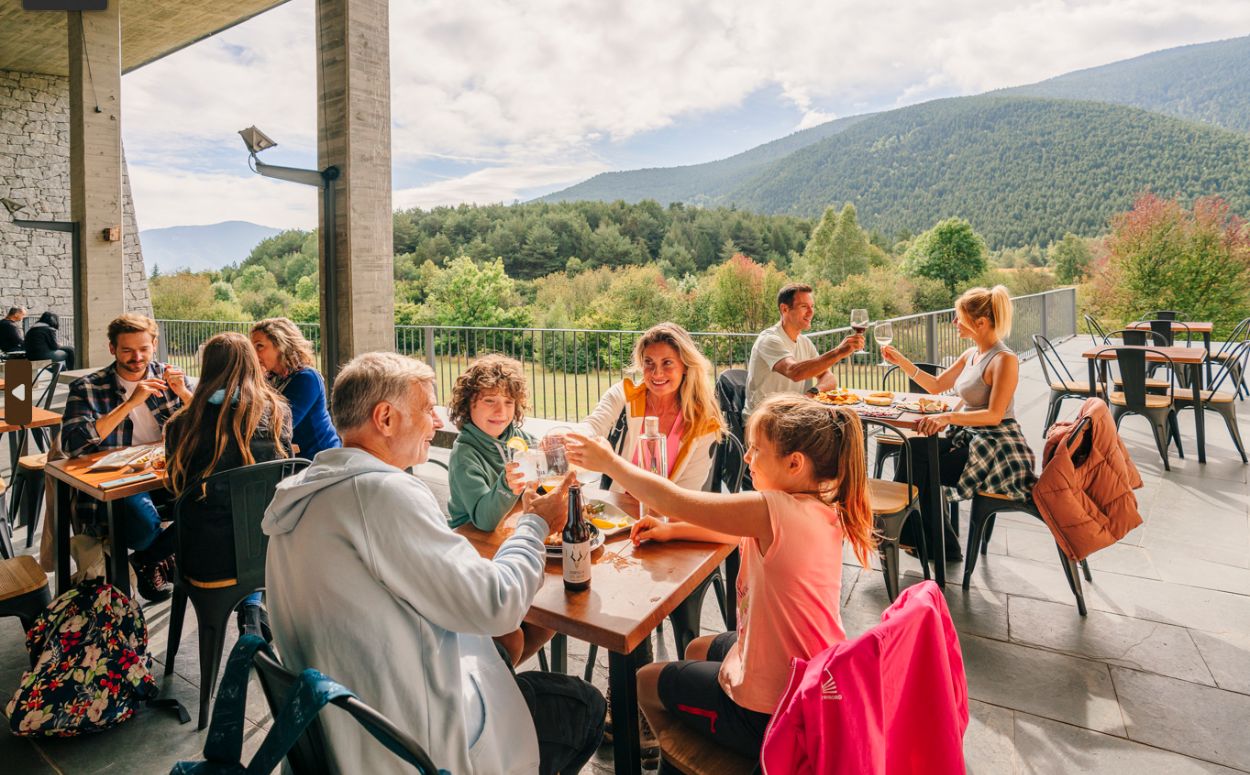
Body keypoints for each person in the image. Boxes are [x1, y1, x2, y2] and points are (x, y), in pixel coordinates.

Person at [262, 353, 605, 775]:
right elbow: (496, 603)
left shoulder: (304, 494)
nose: (437, 422)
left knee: (504, 647)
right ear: (385, 418)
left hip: (339, 731)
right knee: (584, 704)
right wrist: (535, 524)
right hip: (409, 747)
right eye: (426, 408)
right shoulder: (380, 496)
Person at [566, 394, 875, 761]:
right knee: (697, 649)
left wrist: (609, 463)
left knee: (644, 682)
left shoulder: (771, 508)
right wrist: (672, 532)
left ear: (794, 463)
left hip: (774, 709)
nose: (747, 458)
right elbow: (732, 531)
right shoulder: (818, 504)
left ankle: (689, 761)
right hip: (814, 672)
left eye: (756, 450)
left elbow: (673, 500)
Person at [881, 285, 1037, 563]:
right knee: (914, 450)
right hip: (969, 436)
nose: (954, 322)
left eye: (959, 317)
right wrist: (900, 360)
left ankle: (908, 534)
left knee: (926, 463)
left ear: (980, 322)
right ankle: (932, 542)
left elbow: (994, 415)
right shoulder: (971, 355)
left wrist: (947, 417)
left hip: (997, 446)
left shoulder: (1004, 360)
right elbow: (937, 386)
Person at [163, 332, 292, 636]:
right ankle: (251, 607)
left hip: (207, 557)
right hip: (266, 548)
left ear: (206, 368)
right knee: (248, 518)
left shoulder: (182, 424)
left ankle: (145, 559)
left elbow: (176, 491)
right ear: (252, 364)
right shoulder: (276, 413)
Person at [60, 313, 193, 601]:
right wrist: (130, 403)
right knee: (143, 529)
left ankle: (148, 560)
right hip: (119, 485)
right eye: (127, 350)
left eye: (144, 349)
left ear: (154, 345)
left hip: (168, 477)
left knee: (215, 505)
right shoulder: (87, 387)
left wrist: (183, 393)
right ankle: (158, 555)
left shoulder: (170, 377)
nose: (137, 357)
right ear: (112, 349)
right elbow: (73, 445)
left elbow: (210, 424)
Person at [446, 354, 553, 666]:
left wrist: (551, 464)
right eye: (489, 401)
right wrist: (509, 485)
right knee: (513, 632)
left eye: (508, 402)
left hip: (514, 540)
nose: (501, 411)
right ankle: (492, 675)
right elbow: (483, 520)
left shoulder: (520, 439)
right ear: (468, 405)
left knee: (550, 618)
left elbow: (545, 485)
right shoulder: (465, 453)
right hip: (476, 551)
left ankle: (501, 673)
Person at [584, 322, 725, 493]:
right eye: (649, 362)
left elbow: (687, 495)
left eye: (667, 363)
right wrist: (566, 436)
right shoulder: (623, 396)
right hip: (613, 515)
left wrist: (610, 463)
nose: (656, 373)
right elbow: (591, 427)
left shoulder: (702, 422)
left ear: (685, 367)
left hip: (666, 517)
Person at [744, 283, 864, 417]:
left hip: (791, 416)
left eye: (812, 306)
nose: (811, 312)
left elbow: (829, 378)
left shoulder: (804, 342)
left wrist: (812, 392)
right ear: (784, 309)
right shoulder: (769, 340)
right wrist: (838, 352)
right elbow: (794, 371)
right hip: (763, 419)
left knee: (844, 422)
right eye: (804, 307)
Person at [249, 317, 340, 458]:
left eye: (259, 346)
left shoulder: (307, 378)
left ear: (281, 345)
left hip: (320, 460)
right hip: (293, 459)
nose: (253, 353)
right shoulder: (271, 377)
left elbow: (277, 428)